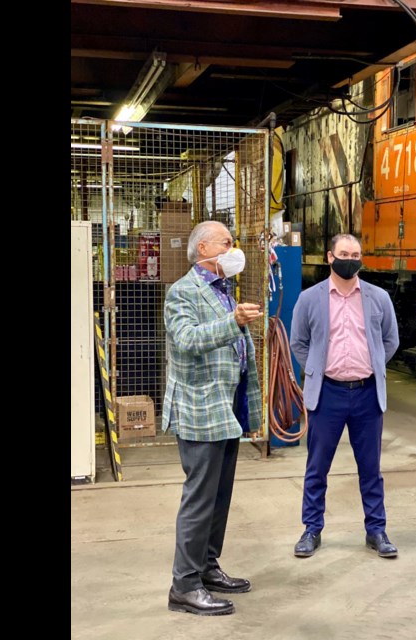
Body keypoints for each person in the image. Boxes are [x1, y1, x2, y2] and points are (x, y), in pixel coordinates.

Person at [162, 220, 264, 616]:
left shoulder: (222, 292)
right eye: (227, 242)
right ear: (204, 249)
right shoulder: (182, 292)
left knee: (219, 499)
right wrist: (233, 322)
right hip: (200, 411)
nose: (233, 248)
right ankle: (183, 586)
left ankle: (206, 566)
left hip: (225, 409)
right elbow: (185, 341)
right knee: (200, 499)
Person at [289, 233, 400, 558]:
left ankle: (376, 530)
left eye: (356, 253)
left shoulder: (378, 298)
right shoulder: (310, 299)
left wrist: (373, 365)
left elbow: (390, 340)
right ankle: (311, 529)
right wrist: (317, 370)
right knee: (317, 467)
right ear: (329, 257)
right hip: (328, 395)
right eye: (344, 253)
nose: (350, 258)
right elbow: (299, 342)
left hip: (367, 395)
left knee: (371, 469)